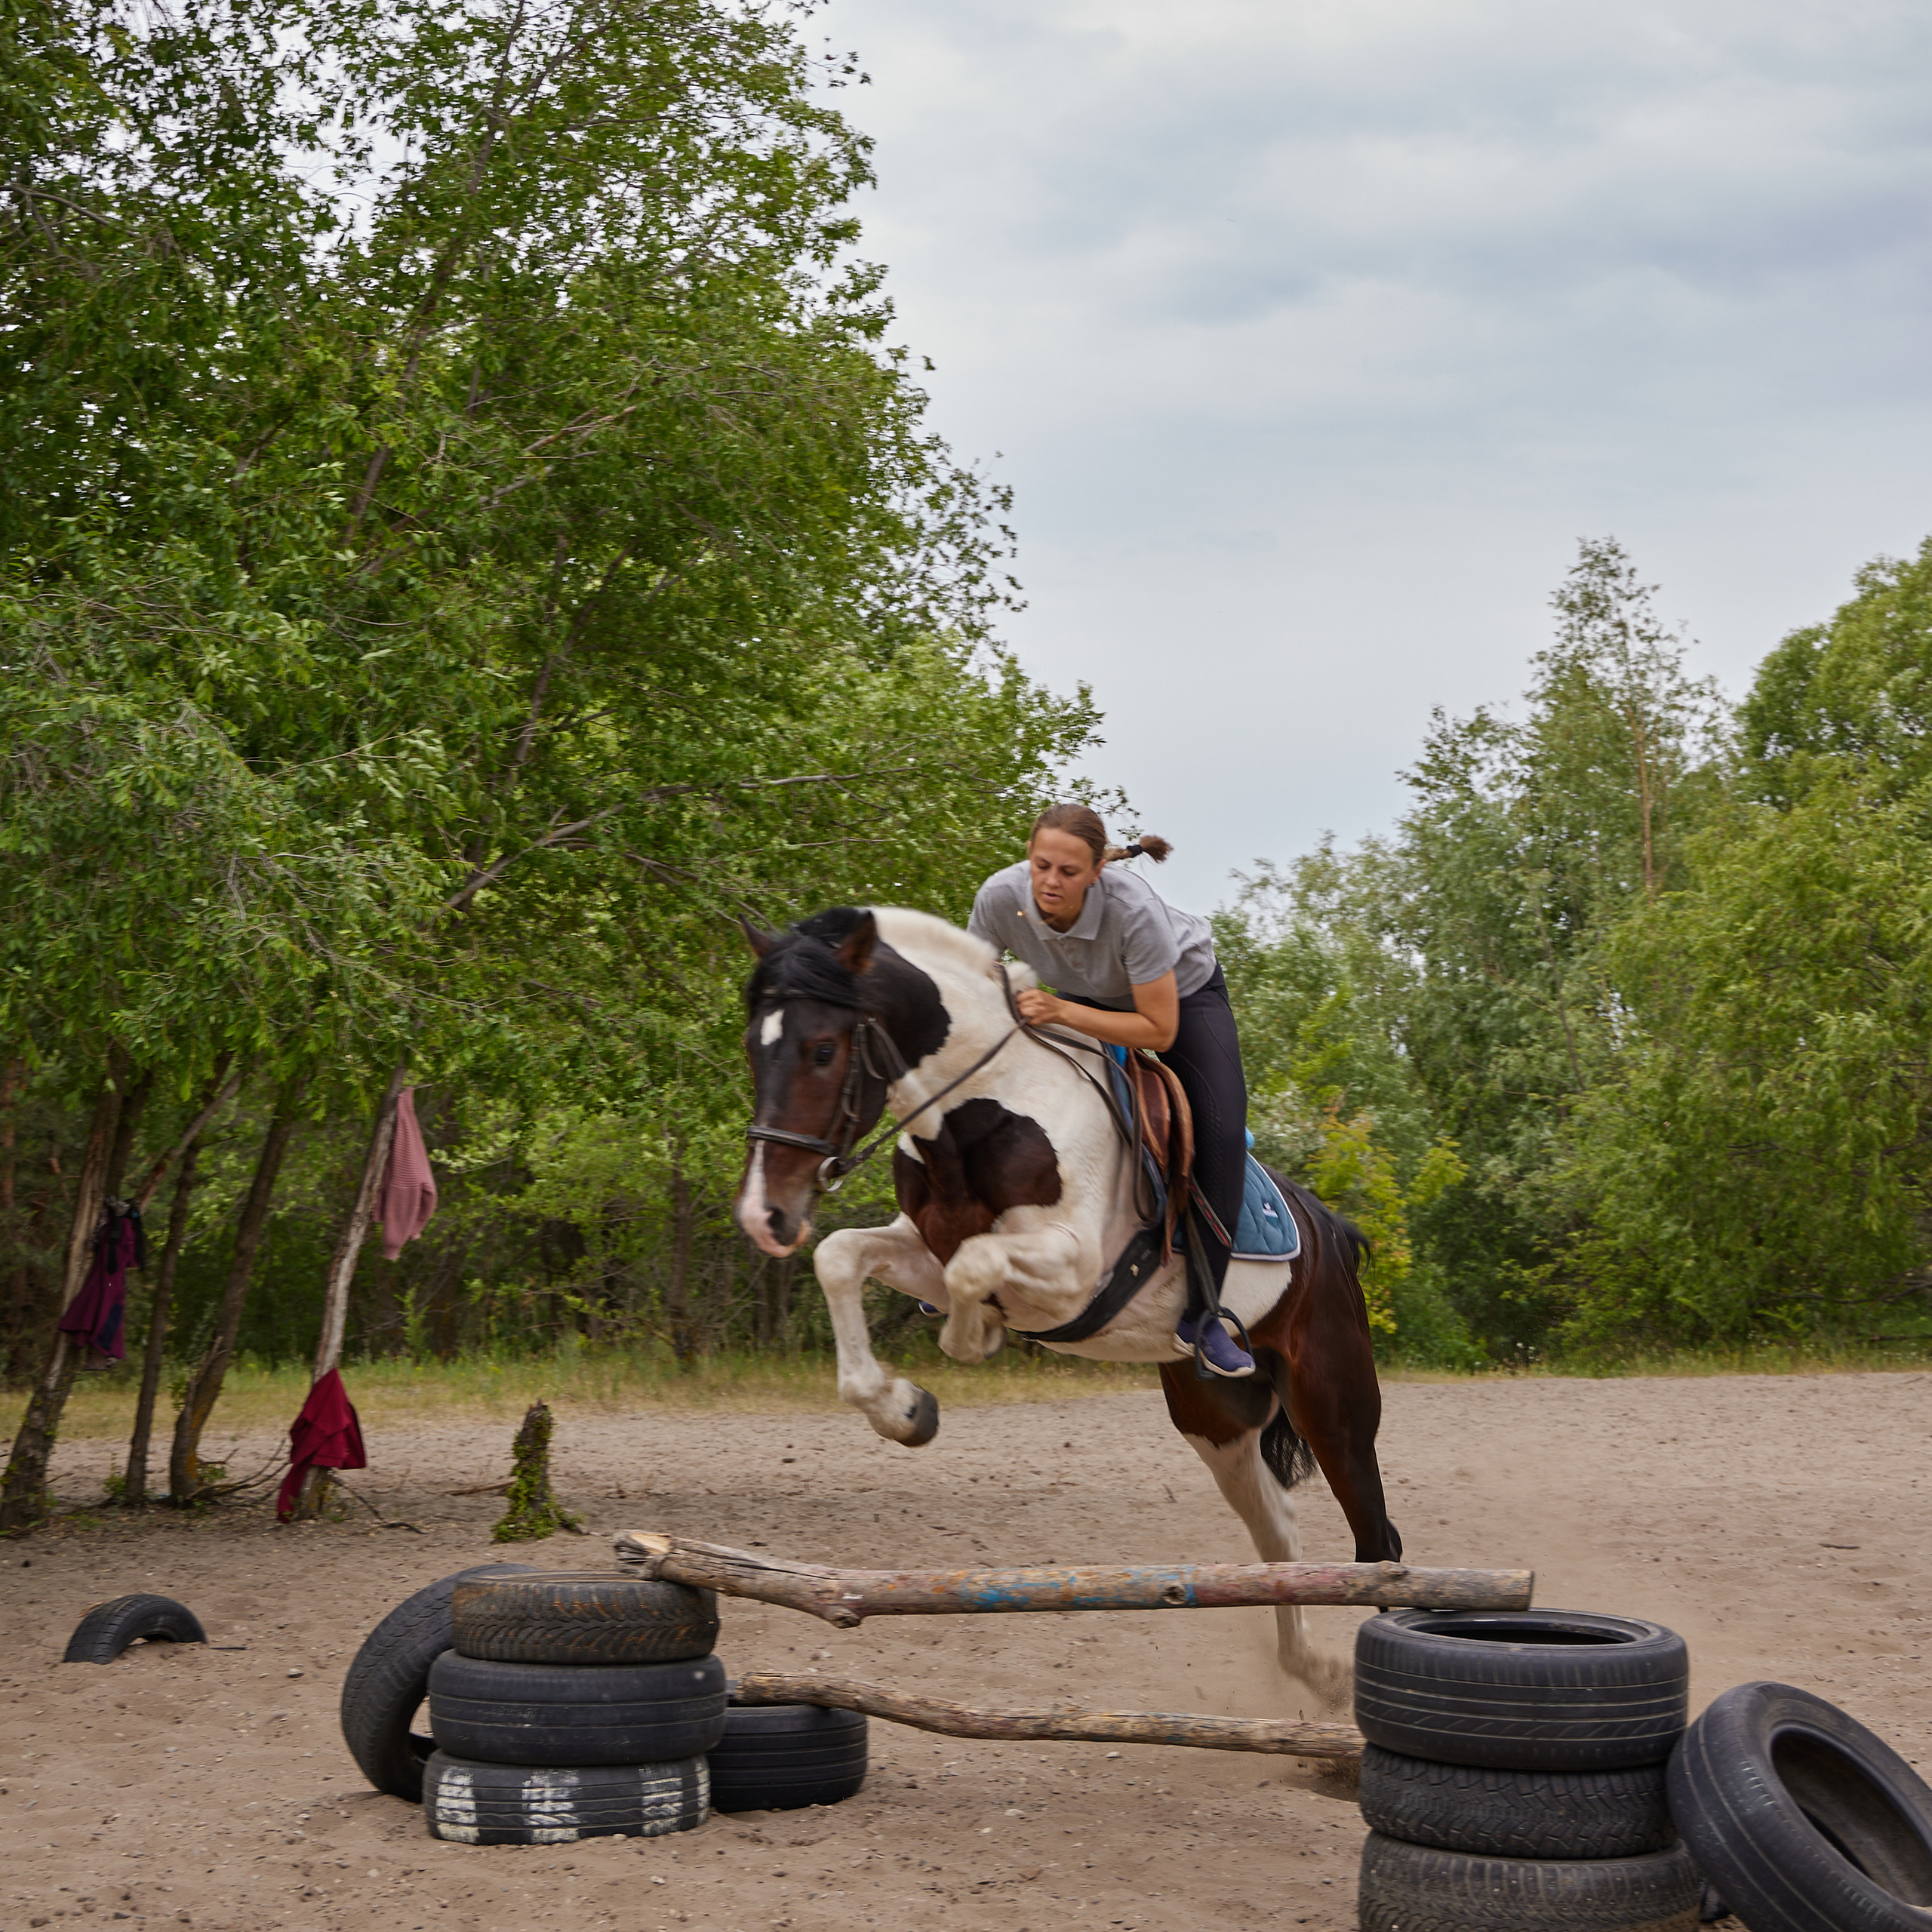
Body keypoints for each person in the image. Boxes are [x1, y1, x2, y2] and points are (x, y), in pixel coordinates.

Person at [969, 804, 1256, 1377]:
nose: (1050, 882)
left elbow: (1158, 1030)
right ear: (1028, 855)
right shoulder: (1000, 896)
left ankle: (1203, 1318)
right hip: (1082, 998)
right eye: (1041, 865)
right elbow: (970, 984)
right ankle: (954, 1243)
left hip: (1181, 1000)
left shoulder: (1134, 911)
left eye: (1069, 873)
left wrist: (1057, 1010)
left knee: (1221, 1132)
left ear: (1097, 870)